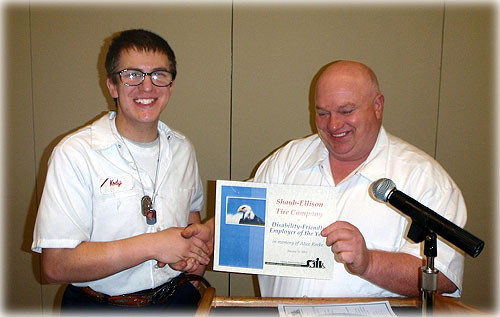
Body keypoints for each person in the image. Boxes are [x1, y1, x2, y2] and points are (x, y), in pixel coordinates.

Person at [31, 29, 213, 312]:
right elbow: (56, 265)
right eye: (132, 75)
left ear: (171, 85)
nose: (147, 87)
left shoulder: (182, 149)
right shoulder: (76, 153)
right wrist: (153, 245)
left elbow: (191, 218)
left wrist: (192, 272)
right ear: (112, 86)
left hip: (178, 300)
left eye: (159, 75)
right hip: (101, 305)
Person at [253, 60, 466, 298]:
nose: (333, 124)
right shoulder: (289, 159)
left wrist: (369, 263)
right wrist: (211, 233)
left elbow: (444, 276)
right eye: (323, 113)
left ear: (377, 106)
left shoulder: (424, 179)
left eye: (346, 111)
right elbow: (244, 214)